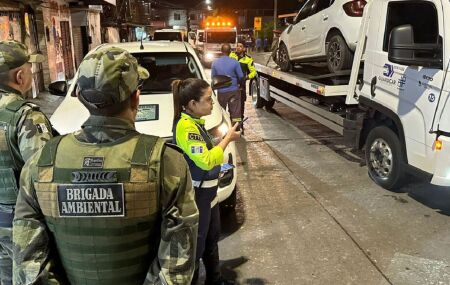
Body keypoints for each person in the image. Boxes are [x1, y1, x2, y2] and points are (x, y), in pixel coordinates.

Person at [12, 46, 199, 284]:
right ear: (136, 98)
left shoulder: (41, 163)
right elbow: (177, 265)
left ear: (80, 97)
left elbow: (28, 265)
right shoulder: (167, 162)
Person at [172, 78, 240, 285]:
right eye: (208, 99)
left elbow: (207, 146)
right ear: (193, 104)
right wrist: (227, 139)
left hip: (209, 194)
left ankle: (215, 279)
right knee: (197, 246)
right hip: (198, 196)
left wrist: (223, 138)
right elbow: (207, 160)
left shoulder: (196, 124)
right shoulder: (186, 128)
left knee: (211, 240)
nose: (212, 103)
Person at [0, 40, 52, 285]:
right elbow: (42, 178)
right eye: (30, 69)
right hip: (18, 226)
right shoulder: (25, 116)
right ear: (20, 76)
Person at [211, 44, 244, 128]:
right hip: (234, 91)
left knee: (221, 111)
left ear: (221, 51)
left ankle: (223, 129)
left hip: (221, 92)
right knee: (236, 112)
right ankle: (236, 129)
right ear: (230, 51)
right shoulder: (235, 62)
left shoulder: (215, 63)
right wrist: (240, 86)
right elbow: (241, 76)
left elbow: (213, 78)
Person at [230, 41, 257, 132]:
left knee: (241, 106)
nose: (238, 47)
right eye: (237, 46)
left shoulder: (248, 59)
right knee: (232, 106)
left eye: (240, 46)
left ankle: (240, 125)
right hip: (231, 85)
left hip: (241, 86)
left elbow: (254, 72)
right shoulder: (231, 56)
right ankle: (232, 124)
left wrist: (246, 77)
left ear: (244, 48)